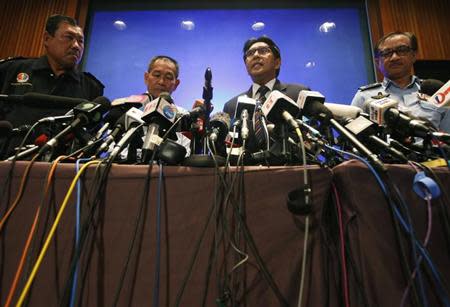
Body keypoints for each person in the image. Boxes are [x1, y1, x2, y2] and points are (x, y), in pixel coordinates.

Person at [222, 36, 309, 154]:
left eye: (263, 51)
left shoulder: (299, 93)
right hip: (247, 170)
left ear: (277, 62)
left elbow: (310, 141)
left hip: (291, 168)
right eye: (250, 53)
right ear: (246, 67)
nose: (256, 55)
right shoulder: (232, 105)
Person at [351, 31, 449, 132]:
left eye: (402, 50)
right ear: (377, 62)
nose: (394, 57)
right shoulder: (364, 96)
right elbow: (352, 139)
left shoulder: (437, 91)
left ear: (414, 55)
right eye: (386, 53)